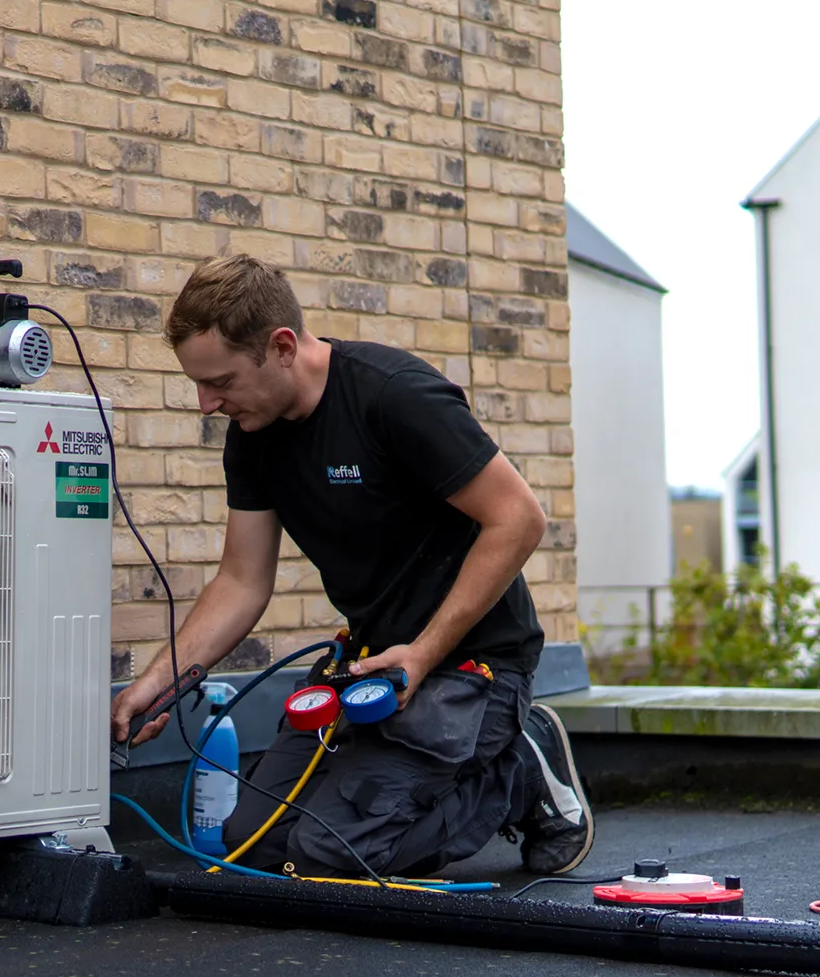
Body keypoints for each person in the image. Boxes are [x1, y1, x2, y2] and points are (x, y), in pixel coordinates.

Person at [108, 255, 594, 877]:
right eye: (200, 385)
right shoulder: (253, 433)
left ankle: (521, 770)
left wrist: (421, 652)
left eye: (221, 381)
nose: (207, 403)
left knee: (333, 857)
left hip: (474, 666)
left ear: (282, 346)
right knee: (250, 848)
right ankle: (429, 770)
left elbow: (519, 518)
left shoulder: (394, 395)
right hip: (368, 666)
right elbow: (242, 580)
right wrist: (159, 682)